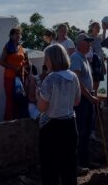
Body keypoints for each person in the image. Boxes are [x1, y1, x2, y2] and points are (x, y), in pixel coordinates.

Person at [36, 43, 81, 185]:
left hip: (52, 128)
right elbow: (76, 102)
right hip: (70, 125)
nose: (45, 62)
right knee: (69, 167)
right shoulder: (73, 76)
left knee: (50, 170)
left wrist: (38, 95)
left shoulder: (50, 79)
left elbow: (42, 108)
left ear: (53, 59)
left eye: (46, 58)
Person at [70, 32, 100, 173]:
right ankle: (78, 164)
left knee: (87, 132)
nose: (89, 44)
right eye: (87, 42)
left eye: (89, 42)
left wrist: (92, 93)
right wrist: (89, 96)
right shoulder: (76, 58)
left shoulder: (84, 58)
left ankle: (85, 161)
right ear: (80, 43)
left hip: (87, 99)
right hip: (81, 101)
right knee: (81, 132)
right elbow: (77, 81)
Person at [0, 28, 27, 121]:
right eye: (16, 34)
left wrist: (23, 64)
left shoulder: (21, 47)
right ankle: (7, 122)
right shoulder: (7, 47)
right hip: (9, 77)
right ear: (11, 36)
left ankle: (17, 120)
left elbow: (24, 60)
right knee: (10, 100)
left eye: (19, 34)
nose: (18, 36)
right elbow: (1, 62)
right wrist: (13, 67)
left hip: (20, 76)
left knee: (19, 98)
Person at [88, 22, 106, 93]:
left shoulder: (99, 38)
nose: (98, 28)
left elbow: (103, 44)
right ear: (92, 28)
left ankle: (94, 98)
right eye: (97, 27)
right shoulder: (89, 39)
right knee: (93, 82)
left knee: (97, 83)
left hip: (99, 62)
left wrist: (103, 64)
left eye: (99, 27)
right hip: (92, 63)